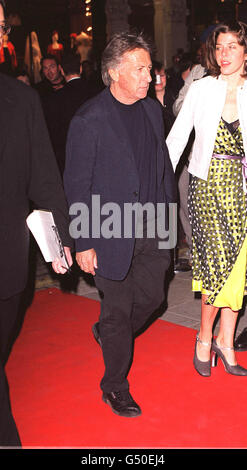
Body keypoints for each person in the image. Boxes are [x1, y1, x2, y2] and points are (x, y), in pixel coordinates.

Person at [64, 31, 176, 417]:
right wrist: (83, 241)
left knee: (154, 299)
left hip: (153, 225)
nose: (150, 76)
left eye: (149, 68)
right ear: (114, 72)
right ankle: (114, 386)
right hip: (110, 228)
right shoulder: (88, 119)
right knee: (117, 309)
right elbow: (76, 185)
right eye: (141, 69)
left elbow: (160, 165)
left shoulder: (149, 109)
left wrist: (167, 219)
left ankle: (109, 333)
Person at [0, 0, 73, 446]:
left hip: (6, 264)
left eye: (2, 25)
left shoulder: (21, 99)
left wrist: (60, 239)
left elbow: (45, 179)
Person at [166, 20, 247, 377]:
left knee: (237, 272)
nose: (225, 53)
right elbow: (177, 138)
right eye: (220, 47)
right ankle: (203, 337)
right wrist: (156, 183)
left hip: (241, 192)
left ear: (245, 51)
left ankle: (226, 344)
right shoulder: (200, 88)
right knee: (216, 269)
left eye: (233, 46)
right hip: (207, 187)